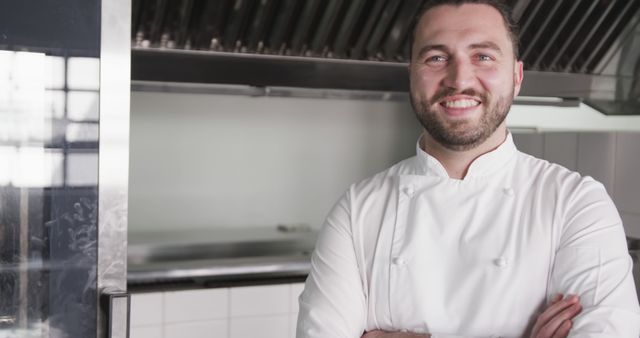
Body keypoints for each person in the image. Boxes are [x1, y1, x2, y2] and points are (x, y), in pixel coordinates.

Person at [296, 1, 640, 337]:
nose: (459, 79)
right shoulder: (358, 210)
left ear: (516, 77)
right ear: (412, 76)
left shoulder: (576, 204)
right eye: (436, 58)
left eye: (483, 56)